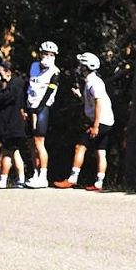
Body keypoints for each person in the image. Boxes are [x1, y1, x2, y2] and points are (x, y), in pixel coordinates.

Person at [52, 52, 113, 190]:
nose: (79, 68)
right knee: (100, 150)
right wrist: (80, 96)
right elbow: (90, 102)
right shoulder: (92, 81)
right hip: (107, 120)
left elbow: (99, 103)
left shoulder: (94, 83)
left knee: (80, 146)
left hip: (100, 121)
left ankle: (72, 178)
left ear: (86, 67)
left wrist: (96, 125)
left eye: (81, 65)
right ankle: (99, 182)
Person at [24, 41, 61, 188]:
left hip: (42, 108)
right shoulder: (33, 66)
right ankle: (35, 172)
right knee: (31, 144)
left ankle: (43, 175)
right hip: (30, 106)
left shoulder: (55, 72)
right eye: (45, 54)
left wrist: (38, 108)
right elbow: (28, 86)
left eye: (51, 55)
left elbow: (50, 92)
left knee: (40, 142)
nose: (47, 57)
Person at [0, 60, 28, 188]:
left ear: (8, 72)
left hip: (12, 123)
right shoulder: (14, 84)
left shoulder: (15, 85)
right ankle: (21, 179)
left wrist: (0, 86)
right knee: (14, 152)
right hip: (10, 123)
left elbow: (0, 98)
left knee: (6, 151)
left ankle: (3, 180)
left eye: (1, 73)